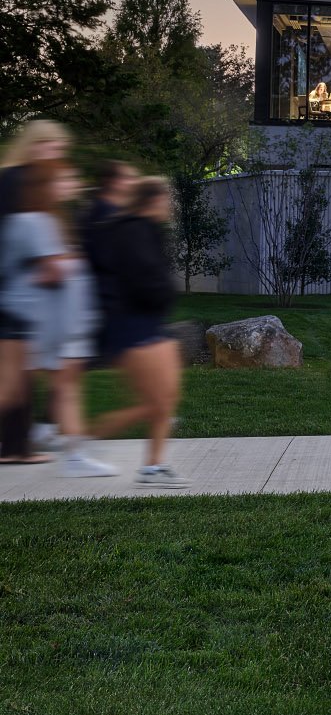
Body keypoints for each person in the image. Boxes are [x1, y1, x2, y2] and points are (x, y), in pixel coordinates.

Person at [0, 159, 112, 477]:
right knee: (14, 389)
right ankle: (75, 457)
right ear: (46, 186)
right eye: (66, 178)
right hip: (26, 320)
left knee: (60, 387)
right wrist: (70, 262)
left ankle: (76, 457)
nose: (74, 182)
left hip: (39, 319)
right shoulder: (35, 222)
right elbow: (51, 272)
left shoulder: (48, 220)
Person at [85, 177, 189, 486]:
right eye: (166, 199)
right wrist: (164, 294)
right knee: (155, 403)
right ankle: (80, 440)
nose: (170, 205)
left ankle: (154, 466)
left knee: (168, 398)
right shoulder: (131, 231)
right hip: (131, 326)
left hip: (150, 322)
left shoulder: (146, 231)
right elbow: (142, 280)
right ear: (152, 200)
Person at [0, 119, 71, 465]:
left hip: (19, 297)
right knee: (13, 380)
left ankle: (16, 448)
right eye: (51, 146)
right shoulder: (21, 183)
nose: (56, 154)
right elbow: (45, 257)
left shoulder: (23, 182)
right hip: (14, 297)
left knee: (20, 376)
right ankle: (15, 447)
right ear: (34, 145)